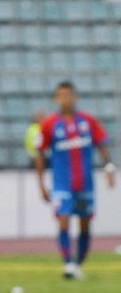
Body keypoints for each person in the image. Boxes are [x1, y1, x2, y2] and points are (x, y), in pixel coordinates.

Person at [34, 82, 114, 280]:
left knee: (85, 224)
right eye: (61, 95)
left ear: (75, 97)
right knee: (63, 219)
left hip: (85, 183)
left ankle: (78, 263)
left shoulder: (88, 121)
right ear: (56, 99)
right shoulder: (49, 124)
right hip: (62, 183)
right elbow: (39, 154)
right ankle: (68, 263)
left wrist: (109, 168)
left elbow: (102, 145)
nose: (66, 99)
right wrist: (41, 184)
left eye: (69, 95)